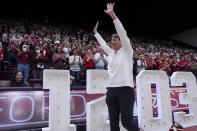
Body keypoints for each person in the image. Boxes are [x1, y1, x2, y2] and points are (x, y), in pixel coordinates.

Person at [93, 3, 139, 131]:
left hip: (125, 90)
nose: (111, 41)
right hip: (112, 91)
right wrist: (96, 33)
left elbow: (122, 33)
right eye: (111, 40)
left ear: (121, 42)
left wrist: (113, 15)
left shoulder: (127, 51)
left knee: (126, 123)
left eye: (114, 40)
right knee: (113, 125)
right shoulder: (111, 54)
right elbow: (103, 44)